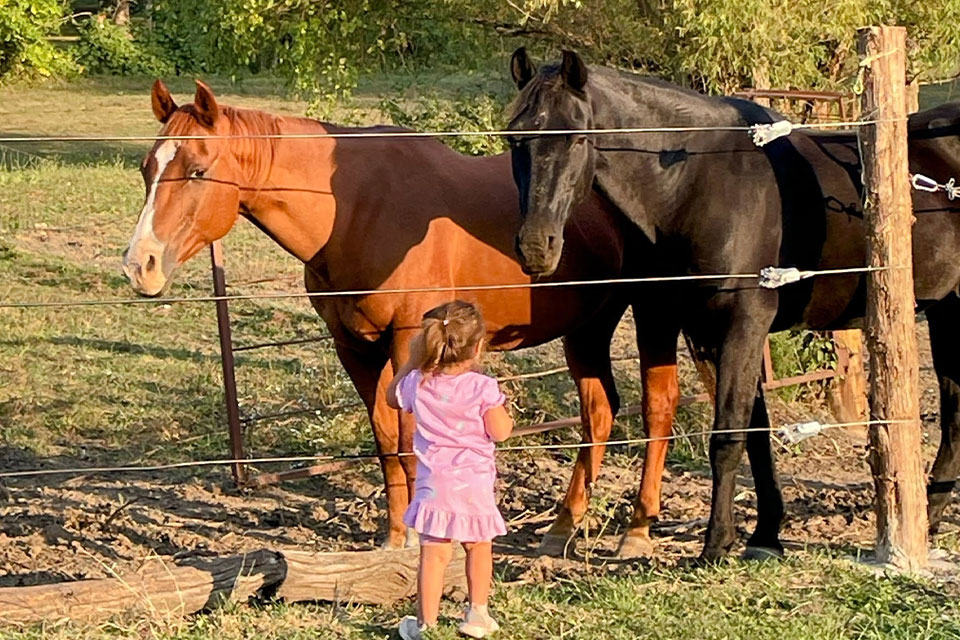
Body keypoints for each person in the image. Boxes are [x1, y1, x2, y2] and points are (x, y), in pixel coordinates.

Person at [387, 300, 513, 640]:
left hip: (434, 485)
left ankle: (424, 625)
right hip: (473, 484)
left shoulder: (418, 383)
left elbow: (391, 398)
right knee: (479, 546)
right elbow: (500, 432)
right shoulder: (483, 388)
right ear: (478, 346)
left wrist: (411, 363)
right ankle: (477, 614)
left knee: (433, 555)